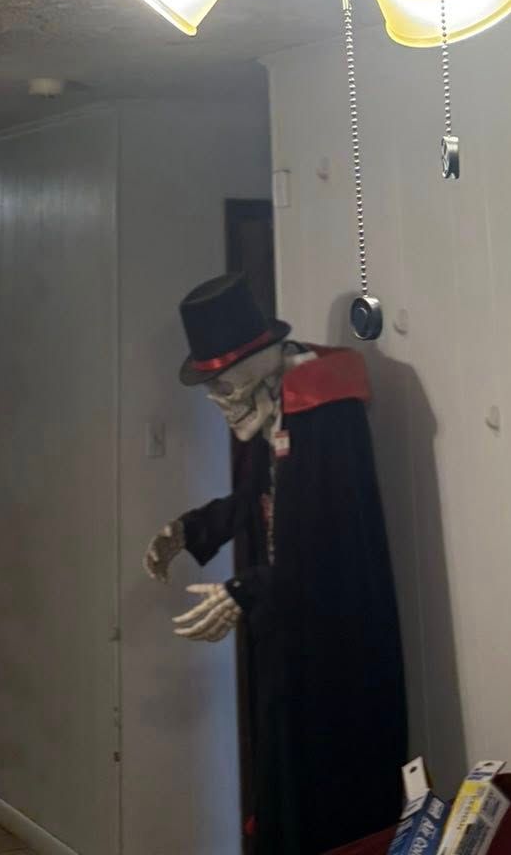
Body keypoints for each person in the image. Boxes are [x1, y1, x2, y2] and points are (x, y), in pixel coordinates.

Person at [144, 273, 407, 855]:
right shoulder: (277, 405)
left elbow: (328, 536)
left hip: (335, 639)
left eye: (221, 381)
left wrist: (245, 589)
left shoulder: (324, 412)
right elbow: (261, 496)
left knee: (327, 785)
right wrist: (192, 530)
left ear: (262, 359)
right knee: (284, 777)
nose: (217, 398)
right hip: (291, 625)